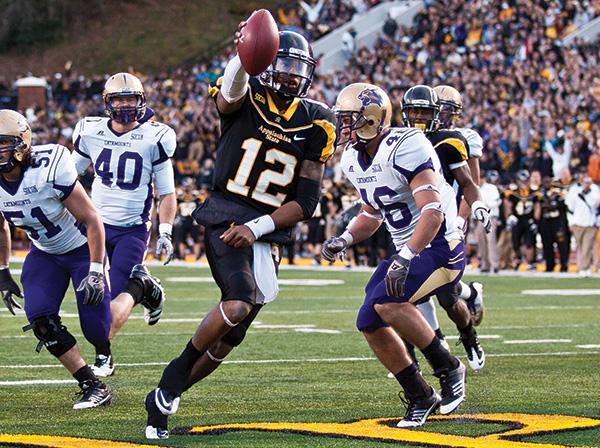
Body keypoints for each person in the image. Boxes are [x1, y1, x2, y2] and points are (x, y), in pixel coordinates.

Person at [143, 26, 336, 439]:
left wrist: (259, 227)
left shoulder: (319, 119)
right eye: (281, 64)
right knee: (239, 300)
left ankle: (162, 397)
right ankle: (174, 374)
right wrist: (243, 53)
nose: (288, 76)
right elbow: (230, 92)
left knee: (231, 338)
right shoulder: (246, 94)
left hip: (266, 226)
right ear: (265, 64)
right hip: (226, 212)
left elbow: (306, 202)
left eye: (296, 68)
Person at [323, 83, 466, 428]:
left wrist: (405, 258)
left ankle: (449, 368)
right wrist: (343, 238)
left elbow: (432, 214)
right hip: (410, 249)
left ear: (371, 117)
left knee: (387, 303)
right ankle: (420, 394)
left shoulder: (406, 146)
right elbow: (372, 215)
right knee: (368, 321)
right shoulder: (353, 159)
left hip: (439, 246)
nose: (344, 125)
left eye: (349, 118)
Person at [0, 109, 112, 409]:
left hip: (80, 249)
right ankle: (92, 384)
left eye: (3, 144)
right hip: (45, 253)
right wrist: (2, 271)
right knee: (40, 318)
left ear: (22, 144)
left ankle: (139, 289)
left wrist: (96, 270)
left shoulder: (50, 165)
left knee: (97, 330)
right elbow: (0, 226)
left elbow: (92, 219)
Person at [72, 72, 176, 376]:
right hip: (96, 227)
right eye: (120, 99)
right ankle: (141, 291)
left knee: (109, 309)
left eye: (131, 98)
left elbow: (167, 193)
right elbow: (67, 178)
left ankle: (139, 289)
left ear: (142, 101)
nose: (126, 105)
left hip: (132, 229)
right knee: (94, 297)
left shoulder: (156, 136)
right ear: (108, 102)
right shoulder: (90, 131)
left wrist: (165, 232)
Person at [401, 85, 488, 371]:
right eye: (415, 111)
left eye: (426, 111)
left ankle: (468, 335)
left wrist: (465, 217)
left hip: (444, 220)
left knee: (447, 296)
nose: (420, 117)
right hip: (411, 223)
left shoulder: (455, 140)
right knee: (406, 293)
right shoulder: (398, 139)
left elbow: (469, 184)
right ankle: (427, 349)